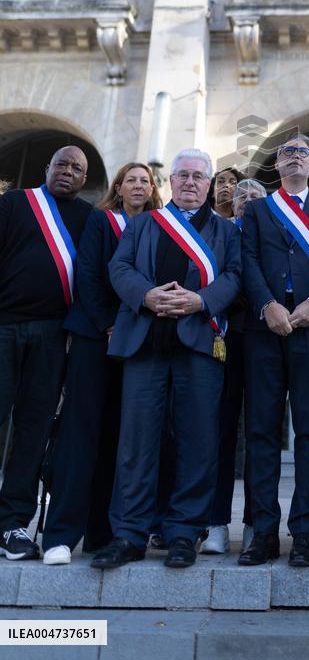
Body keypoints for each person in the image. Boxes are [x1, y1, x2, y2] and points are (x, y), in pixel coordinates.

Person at [91, 149, 241, 570]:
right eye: (183, 176)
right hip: (145, 342)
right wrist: (146, 295)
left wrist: (201, 300)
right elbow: (119, 268)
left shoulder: (225, 231)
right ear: (171, 182)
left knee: (197, 440)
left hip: (200, 343)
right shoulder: (141, 225)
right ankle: (129, 533)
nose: (191, 182)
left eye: (199, 176)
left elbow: (234, 276)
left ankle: (182, 532)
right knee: (137, 441)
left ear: (209, 185)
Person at [41, 163, 162, 565]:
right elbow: (87, 275)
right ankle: (60, 534)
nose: (139, 186)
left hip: (138, 343)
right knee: (81, 432)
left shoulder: (160, 225)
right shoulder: (100, 221)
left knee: (119, 435)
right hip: (97, 337)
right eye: (132, 179)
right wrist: (109, 323)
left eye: (145, 180)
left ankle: (102, 533)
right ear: (118, 186)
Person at [240, 135, 309, 567]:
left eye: (302, 152)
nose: (294, 157)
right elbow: (247, 261)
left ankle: (303, 531)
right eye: (285, 153)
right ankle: (262, 532)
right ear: (275, 167)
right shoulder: (258, 210)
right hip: (266, 330)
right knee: (261, 433)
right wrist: (267, 304)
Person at [0, 146, 91, 560]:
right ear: (47, 168)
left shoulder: (89, 218)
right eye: (62, 165)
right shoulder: (17, 203)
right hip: (3, 327)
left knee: (34, 430)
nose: (68, 172)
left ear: (84, 179)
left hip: (54, 335)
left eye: (77, 168)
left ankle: (13, 523)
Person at [201, 178, 266, 555]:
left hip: (261, 343)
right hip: (222, 341)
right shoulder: (221, 232)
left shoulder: (273, 234)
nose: (247, 202)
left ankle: (257, 522)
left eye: (256, 197)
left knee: (259, 434)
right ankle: (215, 523)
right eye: (242, 197)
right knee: (220, 434)